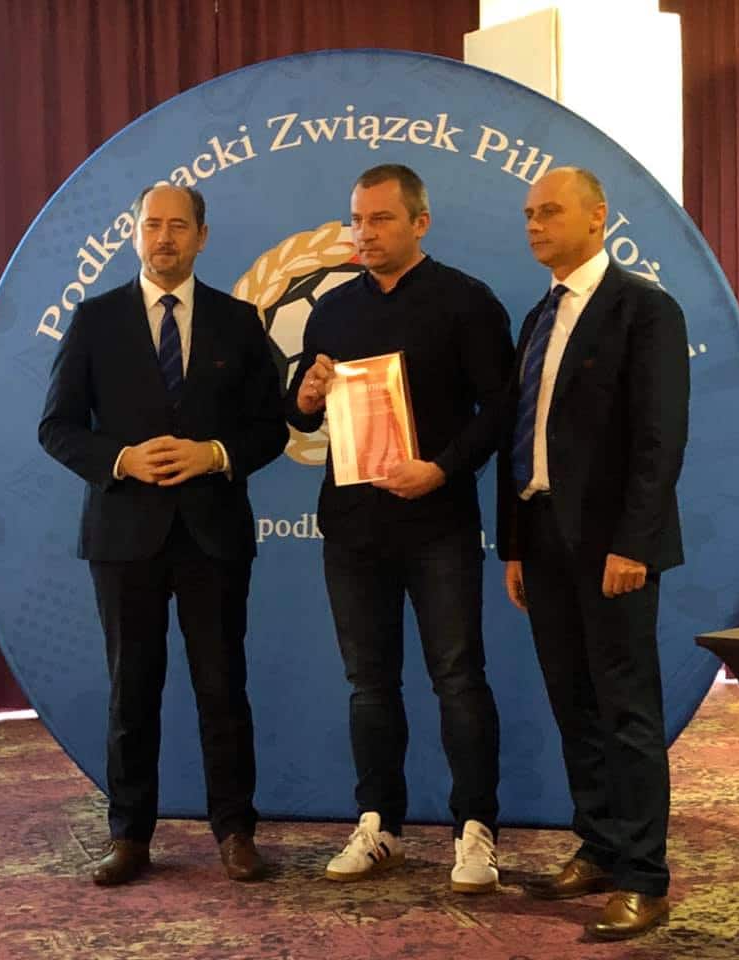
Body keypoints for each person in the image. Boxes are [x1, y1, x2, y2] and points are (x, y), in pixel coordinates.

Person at [39, 183, 288, 886]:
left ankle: (235, 832)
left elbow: (270, 429)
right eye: (152, 225)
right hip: (124, 535)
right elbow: (56, 427)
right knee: (131, 691)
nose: (164, 238)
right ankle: (129, 835)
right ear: (135, 234)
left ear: (202, 237)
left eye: (179, 226)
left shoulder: (240, 320)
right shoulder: (95, 320)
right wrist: (121, 459)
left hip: (213, 535)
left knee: (223, 688)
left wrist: (216, 454)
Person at [286, 164, 514, 893]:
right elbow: (301, 415)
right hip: (353, 528)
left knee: (458, 678)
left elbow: (500, 411)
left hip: (438, 523)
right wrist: (306, 395)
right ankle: (379, 823)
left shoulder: (467, 301)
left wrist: (441, 469)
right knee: (369, 684)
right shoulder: (331, 309)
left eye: (381, 219)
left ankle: (475, 831)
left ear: (421, 222)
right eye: (357, 220)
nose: (365, 233)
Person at [497, 167, 689, 939]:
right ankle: (601, 844)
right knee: (573, 701)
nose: (535, 225)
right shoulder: (537, 316)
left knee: (626, 708)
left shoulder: (644, 308)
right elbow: (522, 438)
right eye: (528, 214)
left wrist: (634, 541)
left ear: (596, 216)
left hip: (613, 545)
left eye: (550, 211)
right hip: (542, 535)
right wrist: (515, 544)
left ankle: (644, 875)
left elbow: (659, 439)